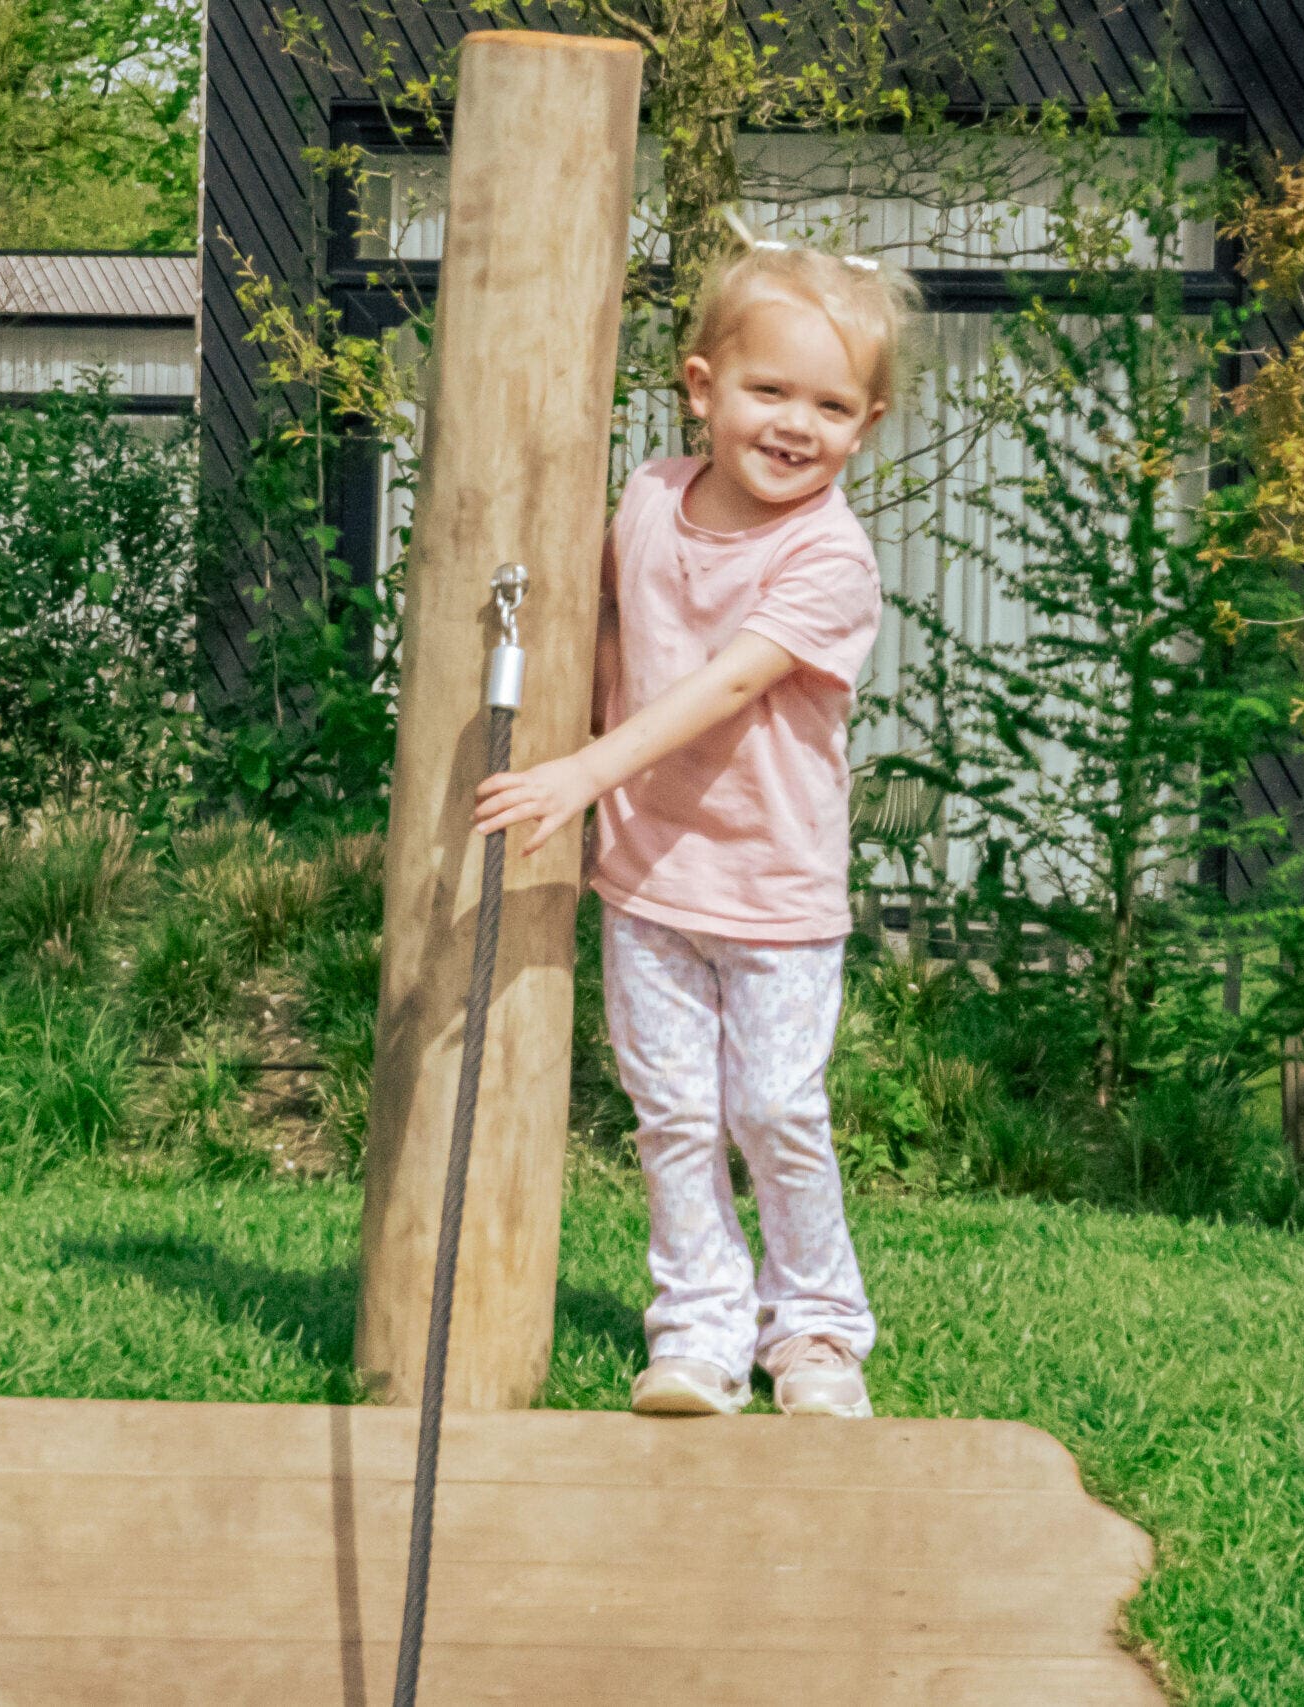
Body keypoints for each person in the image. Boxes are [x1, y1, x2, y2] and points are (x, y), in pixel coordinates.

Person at [470, 233, 915, 1419]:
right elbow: (595, 616)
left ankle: (816, 1333)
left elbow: (724, 683)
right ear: (703, 387)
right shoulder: (647, 499)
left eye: (829, 405)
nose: (794, 425)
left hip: (772, 893)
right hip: (650, 883)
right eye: (769, 390)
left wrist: (578, 774)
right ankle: (701, 1333)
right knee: (670, 1115)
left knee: (772, 1110)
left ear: (864, 425)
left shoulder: (829, 556)